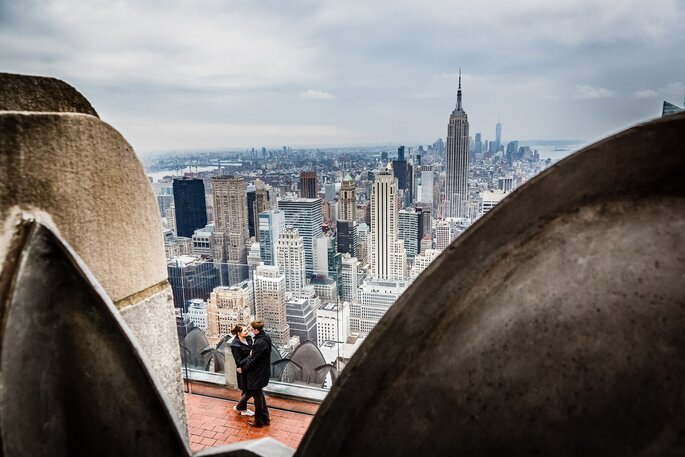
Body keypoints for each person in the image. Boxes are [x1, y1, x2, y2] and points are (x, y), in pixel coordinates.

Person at [237, 320, 271, 427]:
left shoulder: (259, 343)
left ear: (256, 330)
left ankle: (259, 421)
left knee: (257, 398)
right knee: (259, 395)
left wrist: (243, 369)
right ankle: (265, 418)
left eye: (252, 329)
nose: (250, 331)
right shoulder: (266, 338)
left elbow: (253, 360)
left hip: (257, 374)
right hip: (263, 372)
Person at [229, 324, 255, 417]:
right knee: (247, 389)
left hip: (250, 367)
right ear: (238, 333)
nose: (247, 331)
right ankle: (241, 408)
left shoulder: (249, 338)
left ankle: (242, 409)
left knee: (247, 389)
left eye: (247, 329)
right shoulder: (235, 345)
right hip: (243, 370)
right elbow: (239, 362)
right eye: (244, 331)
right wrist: (251, 355)